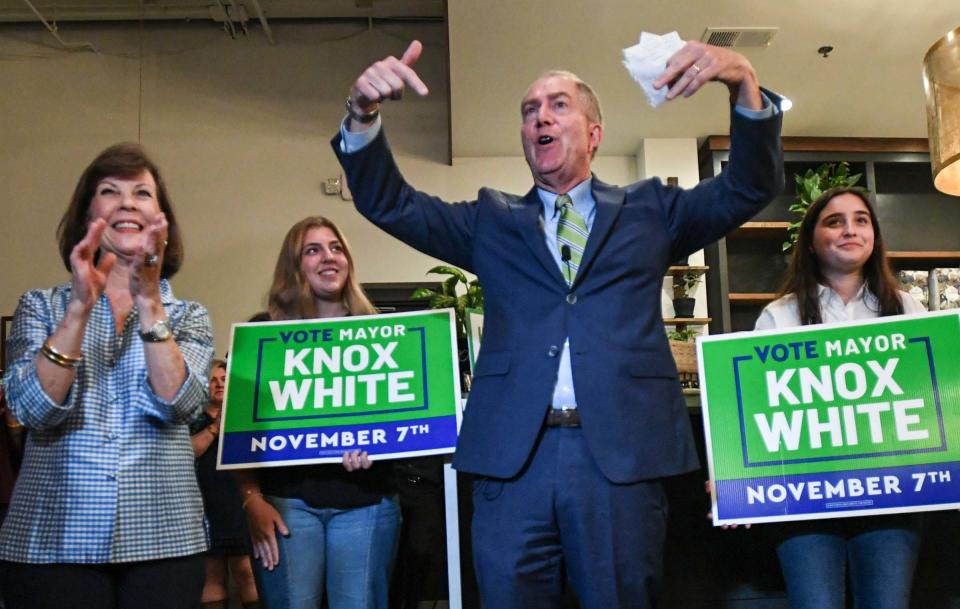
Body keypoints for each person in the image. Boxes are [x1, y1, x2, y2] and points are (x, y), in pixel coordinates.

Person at [332, 38, 784, 609]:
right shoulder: (491, 221)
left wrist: (744, 80)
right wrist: (361, 115)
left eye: (558, 104)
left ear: (594, 133)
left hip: (618, 461)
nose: (540, 115)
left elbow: (748, 186)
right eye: (529, 110)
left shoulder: (652, 210)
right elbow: (392, 204)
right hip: (514, 461)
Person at [0, 143, 214, 609]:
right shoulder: (41, 306)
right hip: (50, 543)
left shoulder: (189, 316)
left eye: (142, 193)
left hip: (164, 543)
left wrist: (149, 301)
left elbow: (182, 404)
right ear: (86, 217)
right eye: (109, 191)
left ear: (162, 219)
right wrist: (78, 308)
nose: (127, 202)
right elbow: (31, 410)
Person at [754, 186, 924, 609]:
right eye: (834, 221)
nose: (850, 229)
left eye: (861, 220)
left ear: (874, 236)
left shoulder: (910, 309)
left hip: (893, 497)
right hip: (803, 502)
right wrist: (733, 475)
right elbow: (756, 413)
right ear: (811, 241)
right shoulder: (780, 316)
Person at [236, 216, 401, 609]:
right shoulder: (262, 334)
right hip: (285, 504)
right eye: (313, 250)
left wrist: (377, 445)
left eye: (336, 247)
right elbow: (240, 431)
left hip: (366, 502)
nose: (328, 257)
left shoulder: (382, 332)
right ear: (294, 266)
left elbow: (403, 426)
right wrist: (251, 499)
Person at [191, 359, 260, 609]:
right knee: (212, 574)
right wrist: (214, 429)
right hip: (204, 503)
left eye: (224, 379)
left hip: (240, 500)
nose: (219, 385)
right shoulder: (193, 418)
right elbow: (187, 452)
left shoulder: (246, 412)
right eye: (213, 381)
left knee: (247, 571)